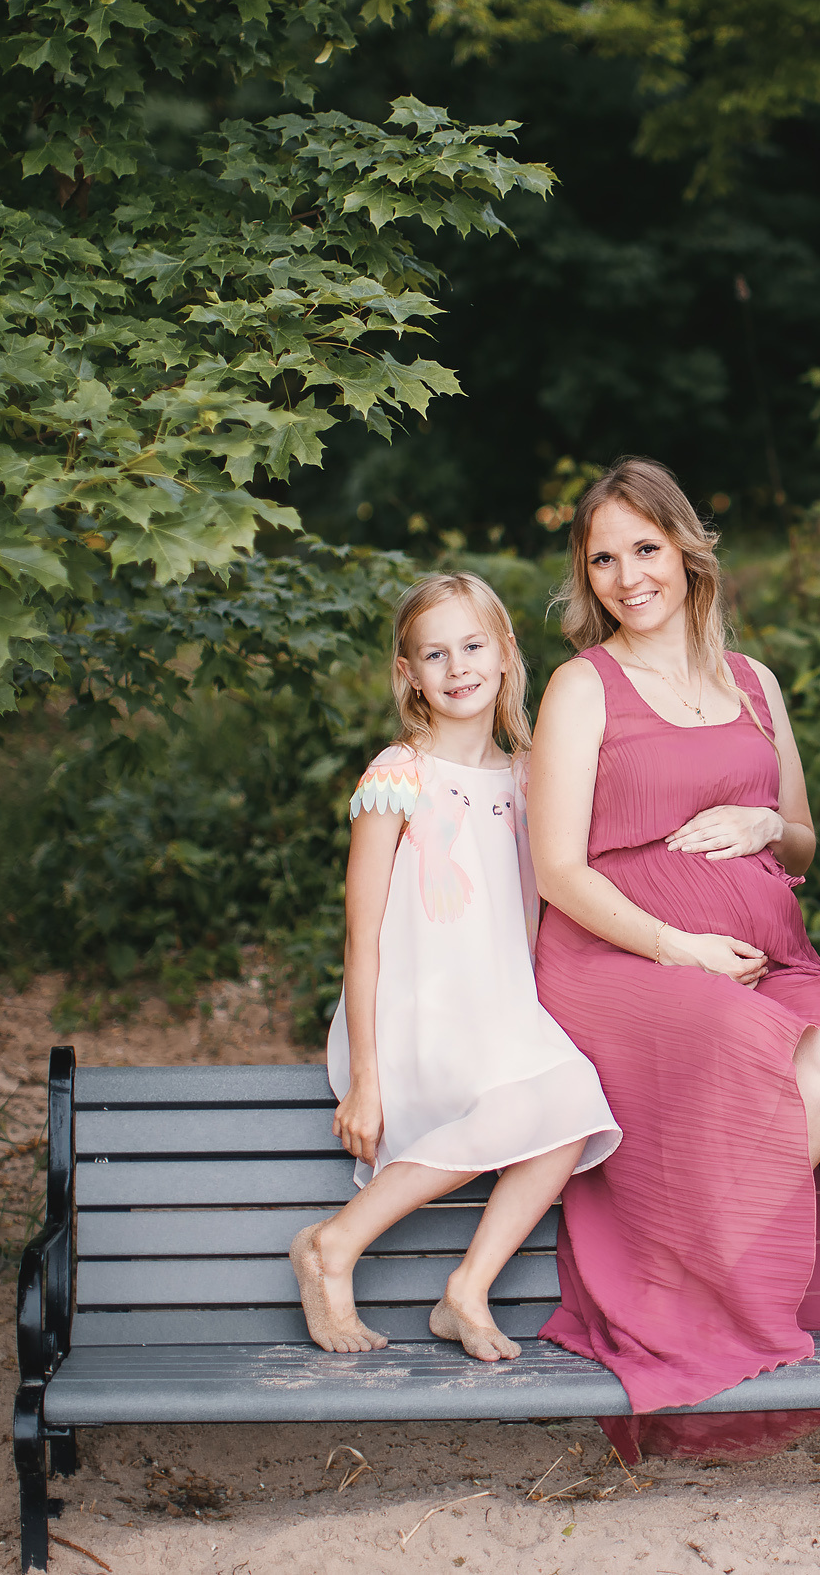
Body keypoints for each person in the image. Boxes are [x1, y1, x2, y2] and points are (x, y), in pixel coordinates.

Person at [528, 456, 820, 1462]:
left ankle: (692, 1273)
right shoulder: (581, 687)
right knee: (742, 1039)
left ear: (686, 552)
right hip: (617, 952)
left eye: (643, 549)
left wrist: (758, 822)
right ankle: (681, 1289)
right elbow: (557, 870)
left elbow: (801, 844)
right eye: (602, 558)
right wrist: (676, 947)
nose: (625, 575)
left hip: (753, 948)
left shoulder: (752, 683)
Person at [290, 573, 622, 1360]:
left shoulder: (527, 777)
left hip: (501, 1013)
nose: (458, 666)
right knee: (537, 1106)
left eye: (473, 645)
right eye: (434, 654)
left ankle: (466, 1289)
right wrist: (366, 1076)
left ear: (506, 653)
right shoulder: (397, 774)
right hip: (415, 1015)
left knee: (574, 1109)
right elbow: (361, 936)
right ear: (408, 673)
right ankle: (332, 1245)